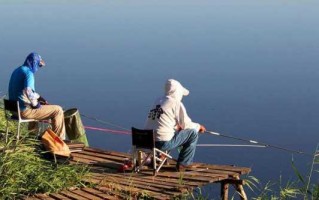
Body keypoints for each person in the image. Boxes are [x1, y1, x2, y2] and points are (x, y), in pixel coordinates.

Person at [145, 79, 206, 171]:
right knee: (192, 133)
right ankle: (183, 164)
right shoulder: (176, 103)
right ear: (177, 92)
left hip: (146, 142)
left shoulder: (158, 101)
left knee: (171, 132)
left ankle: (159, 157)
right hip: (162, 143)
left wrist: (176, 127)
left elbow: (161, 121)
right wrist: (199, 127)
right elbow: (186, 124)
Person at [8, 52, 66, 140]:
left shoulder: (17, 70)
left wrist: (40, 98)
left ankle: (31, 138)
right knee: (58, 110)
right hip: (23, 112)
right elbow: (28, 91)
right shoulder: (28, 73)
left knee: (34, 107)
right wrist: (36, 104)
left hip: (13, 109)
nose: (38, 67)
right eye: (39, 65)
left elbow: (23, 91)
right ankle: (59, 141)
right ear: (34, 63)